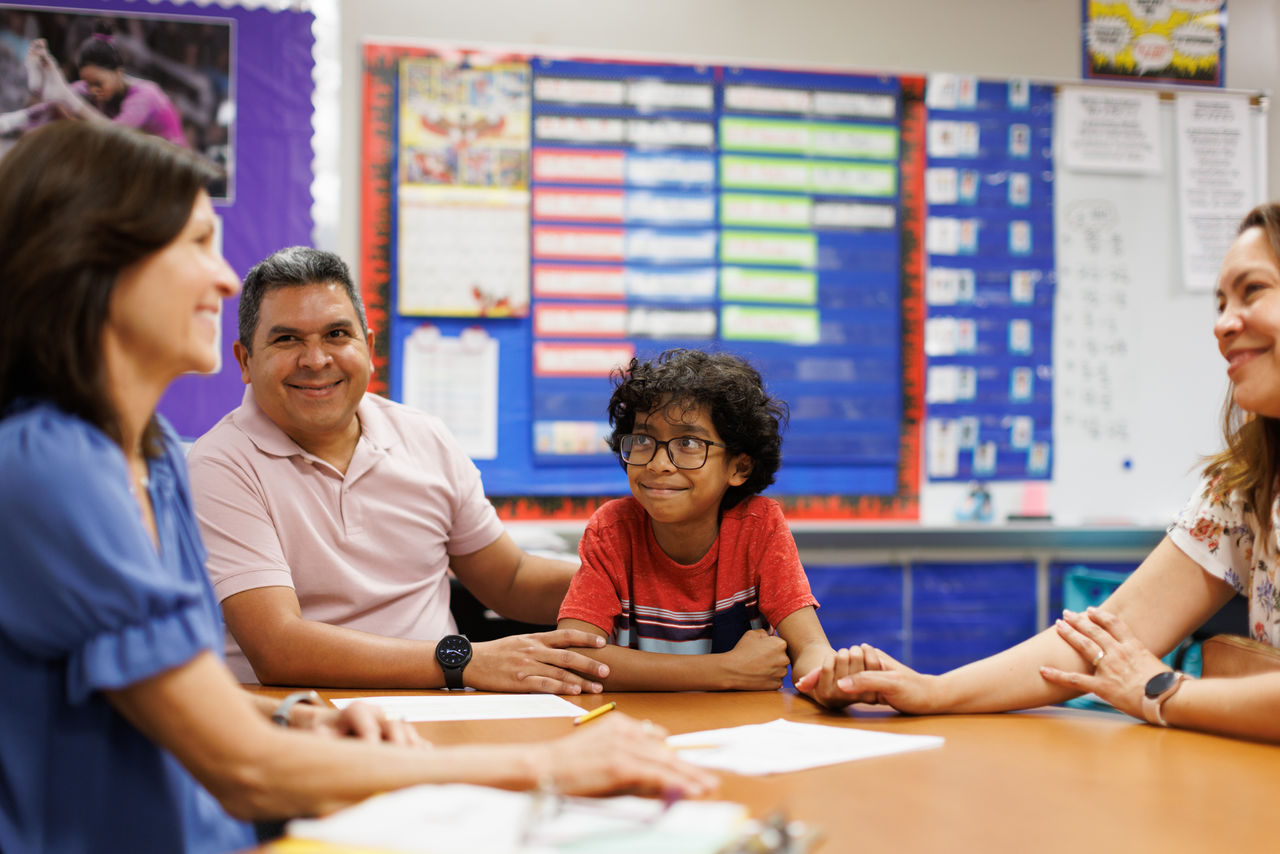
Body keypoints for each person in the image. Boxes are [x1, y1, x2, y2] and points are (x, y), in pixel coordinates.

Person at [0, 120, 714, 853]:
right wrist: (547, 765)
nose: (221, 277)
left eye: (337, 335)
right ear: (88, 264)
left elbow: (191, 704)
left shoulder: (151, 459)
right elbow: (242, 766)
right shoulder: (53, 471)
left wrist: (294, 720)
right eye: (194, 243)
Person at [801, 202, 1280, 742]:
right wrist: (933, 691)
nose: (1222, 324)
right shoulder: (1247, 481)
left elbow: (1139, 674)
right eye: (1218, 303)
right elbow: (1106, 634)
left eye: (1252, 291)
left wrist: (1165, 692)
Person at [187, 246, 613, 693]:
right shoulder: (220, 463)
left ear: (368, 348)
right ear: (244, 361)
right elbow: (277, 648)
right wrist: (463, 661)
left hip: (447, 715)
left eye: (336, 334)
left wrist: (633, 579)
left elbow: (509, 579)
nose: (316, 360)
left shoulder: (424, 437)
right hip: (307, 727)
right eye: (287, 339)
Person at [556, 349, 864, 709]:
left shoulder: (758, 527)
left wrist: (831, 678)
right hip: (635, 735)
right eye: (642, 440)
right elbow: (573, 654)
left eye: (688, 444)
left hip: (737, 738)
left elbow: (811, 647)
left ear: (739, 467)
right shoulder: (612, 529)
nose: (658, 464)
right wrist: (724, 670)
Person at [6, 26, 188, 147]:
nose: (92, 90)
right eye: (88, 84)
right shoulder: (92, 90)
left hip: (174, 176)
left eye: (98, 84)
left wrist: (68, 98)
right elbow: (52, 103)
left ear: (119, 72)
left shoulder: (146, 95)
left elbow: (114, 135)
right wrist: (10, 121)